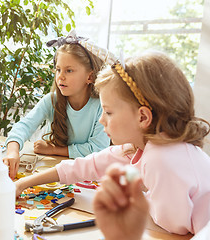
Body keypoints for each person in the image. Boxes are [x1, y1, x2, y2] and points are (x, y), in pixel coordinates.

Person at [15, 51, 210, 235]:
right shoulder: (139, 148)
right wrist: (24, 183)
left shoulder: (160, 158)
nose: (101, 120)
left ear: (142, 117)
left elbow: (175, 227)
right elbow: (85, 165)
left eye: (108, 112)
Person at [4, 30, 111, 179]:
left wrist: (54, 149)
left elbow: (98, 149)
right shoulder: (52, 100)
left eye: (69, 70)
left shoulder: (102, 106)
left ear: (90, 76)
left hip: (85, 176)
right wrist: (13, 151)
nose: (60, 76)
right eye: (58, 69)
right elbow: (24, 126)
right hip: (52, 173)